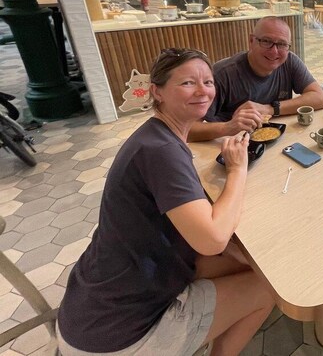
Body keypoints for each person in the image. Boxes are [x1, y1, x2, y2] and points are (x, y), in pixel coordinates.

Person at [57, 48, 275, 355]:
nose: (203, 91)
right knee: (267, 288)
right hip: (118, 337)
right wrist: (238, 169)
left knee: (243, 261)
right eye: (187, 83)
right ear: (157, 92)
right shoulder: (161, 152)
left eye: (208, 82)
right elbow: (212, 239)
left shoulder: (155, 136)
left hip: (92, 305)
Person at [189, 17, 323, 141]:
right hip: (230, 147)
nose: (274, 51)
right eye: (266, 41)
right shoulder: (222, 74)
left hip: (275, 142)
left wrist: (270, 109)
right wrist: (228, 127)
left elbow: (319, 98)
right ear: (251, 41)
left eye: (282, 44)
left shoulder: (289, 61)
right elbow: (188, 129)